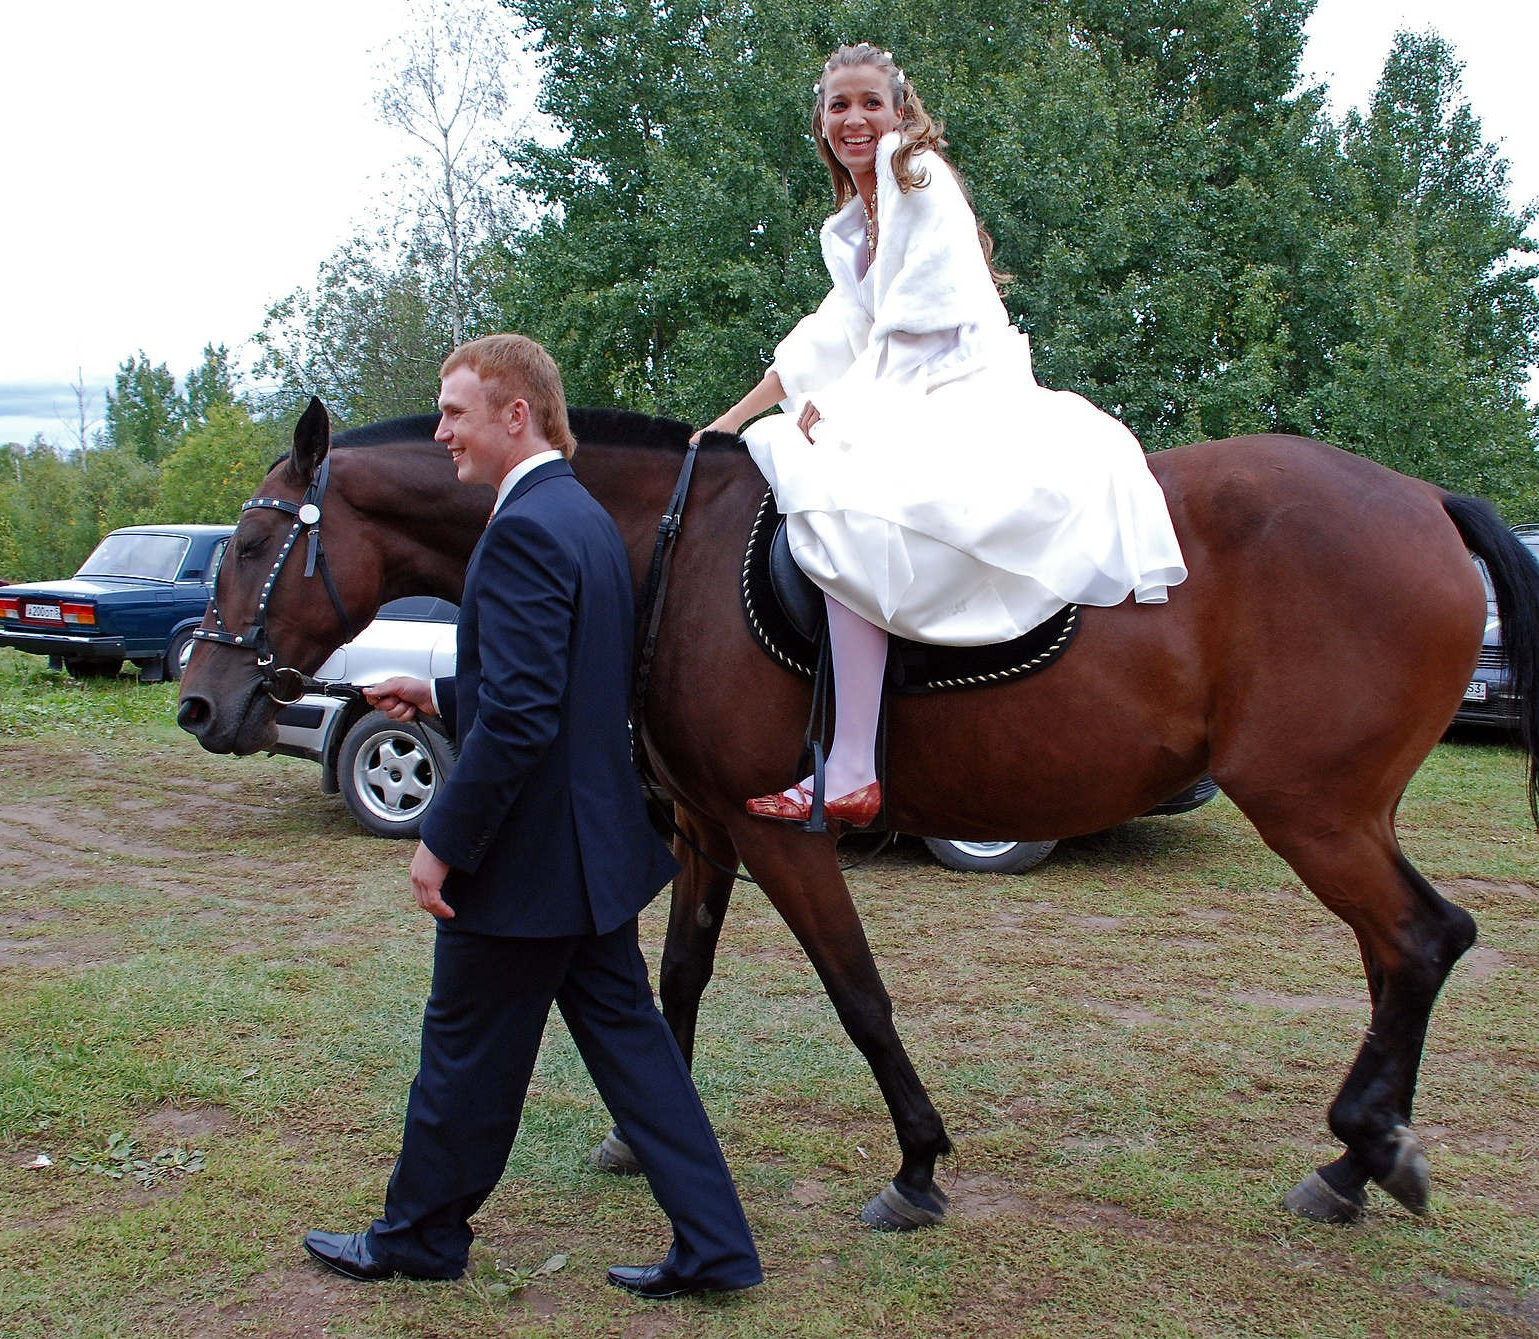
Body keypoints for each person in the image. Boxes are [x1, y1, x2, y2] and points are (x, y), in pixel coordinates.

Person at [303, 335, 761, 1300]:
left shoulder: (519, 529)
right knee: (637, 1057)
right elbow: (552, 685)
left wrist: (441, 842)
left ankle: (420, 1237)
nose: (440, 433)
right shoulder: (583, 517)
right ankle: (718, 1245)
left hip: (525, 866)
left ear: (517, 415)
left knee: (463, 1051)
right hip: (589, 854)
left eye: (455, 412)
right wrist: (442, 695)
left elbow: (523, 718)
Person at [695, 44, 1188, 826]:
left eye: (869, 103)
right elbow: (829, 336)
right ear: (820, 122)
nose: (854, 119)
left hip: (953, 384)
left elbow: (921, 327)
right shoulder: (853, 224)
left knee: (839, 502)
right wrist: (728, 421)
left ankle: (854, 760)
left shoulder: (909, 172)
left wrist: (844, 408)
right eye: (838, 106)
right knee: (786, 452)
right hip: (899, 385)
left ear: (898, 113)